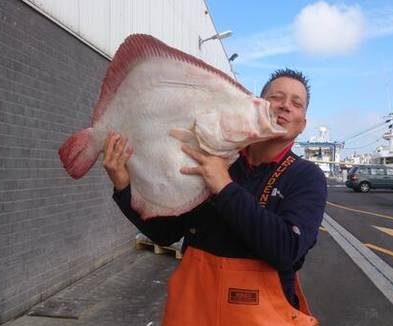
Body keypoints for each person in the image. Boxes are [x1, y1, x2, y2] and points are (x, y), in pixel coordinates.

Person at [103, 68, 327, 325]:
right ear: (258, 105)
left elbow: (286, 250)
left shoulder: (306, 177)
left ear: (303, 124)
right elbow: (165, 233)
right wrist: (123, 187)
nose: (285, 106)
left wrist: (225, 187)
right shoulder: (214, 159)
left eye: (296, 103)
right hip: (191, 312)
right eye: (277, 97)